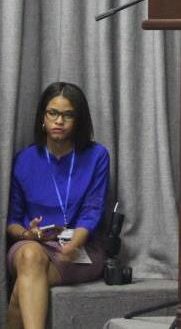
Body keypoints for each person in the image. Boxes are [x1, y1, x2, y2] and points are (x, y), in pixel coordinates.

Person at [6, 82, 110, 329]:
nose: (59, 121)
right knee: (30, 256)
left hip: (80, 248)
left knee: (25, 285)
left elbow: (93, 210)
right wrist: (28, 233)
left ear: (78, 120)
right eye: (52, 112)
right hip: (33, 245)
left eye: (68, 114)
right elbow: (11, 221)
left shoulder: (97, 156)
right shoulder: (24, 159)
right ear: (43, 116)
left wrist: (75, 242)